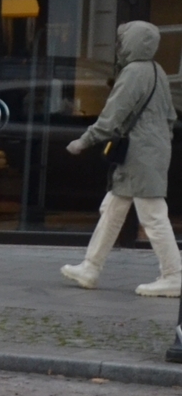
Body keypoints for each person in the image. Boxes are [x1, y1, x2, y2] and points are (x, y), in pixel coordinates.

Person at [60, 18, 179, 297]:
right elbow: (170, 116)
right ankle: (90, 267)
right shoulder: (157, 70)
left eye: (121, 41)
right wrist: (162, 143)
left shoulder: (133, 73)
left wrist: (84, 141)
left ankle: (174, 274)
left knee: (152, 215)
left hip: (139, 154)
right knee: (113, 209)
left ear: (129, 43)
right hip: (151, 151)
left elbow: (113, 115)